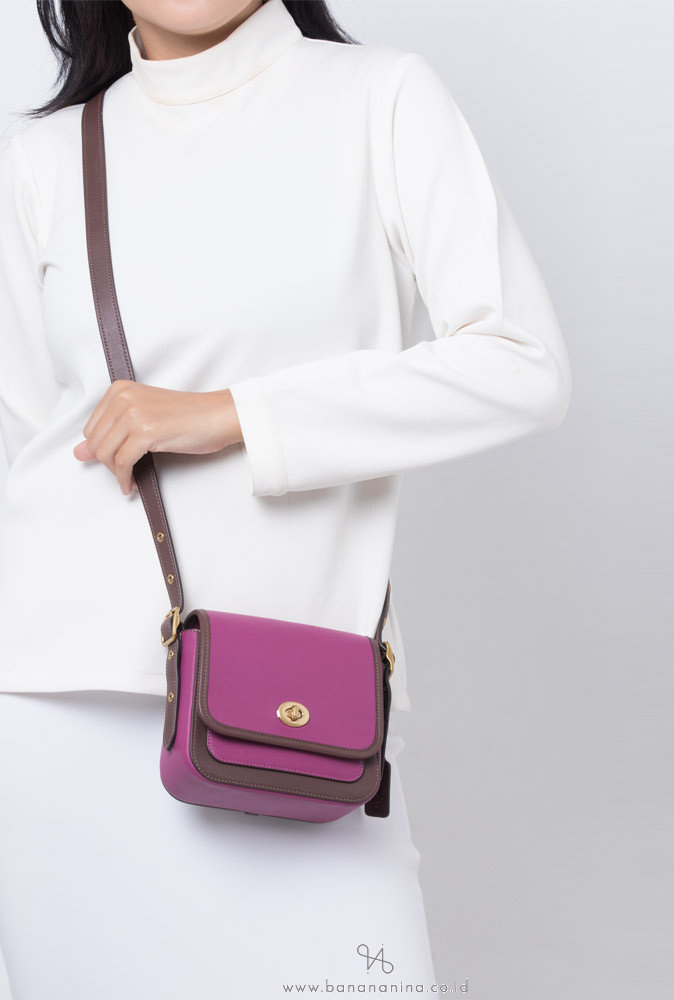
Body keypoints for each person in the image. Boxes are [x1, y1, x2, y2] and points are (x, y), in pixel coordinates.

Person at [0, 0, 572, 996]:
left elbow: (523, 365)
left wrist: (232, 414)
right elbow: (29, 445)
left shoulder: (381, 100)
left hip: (291, 718)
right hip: (55, 712)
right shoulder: (45, 159)